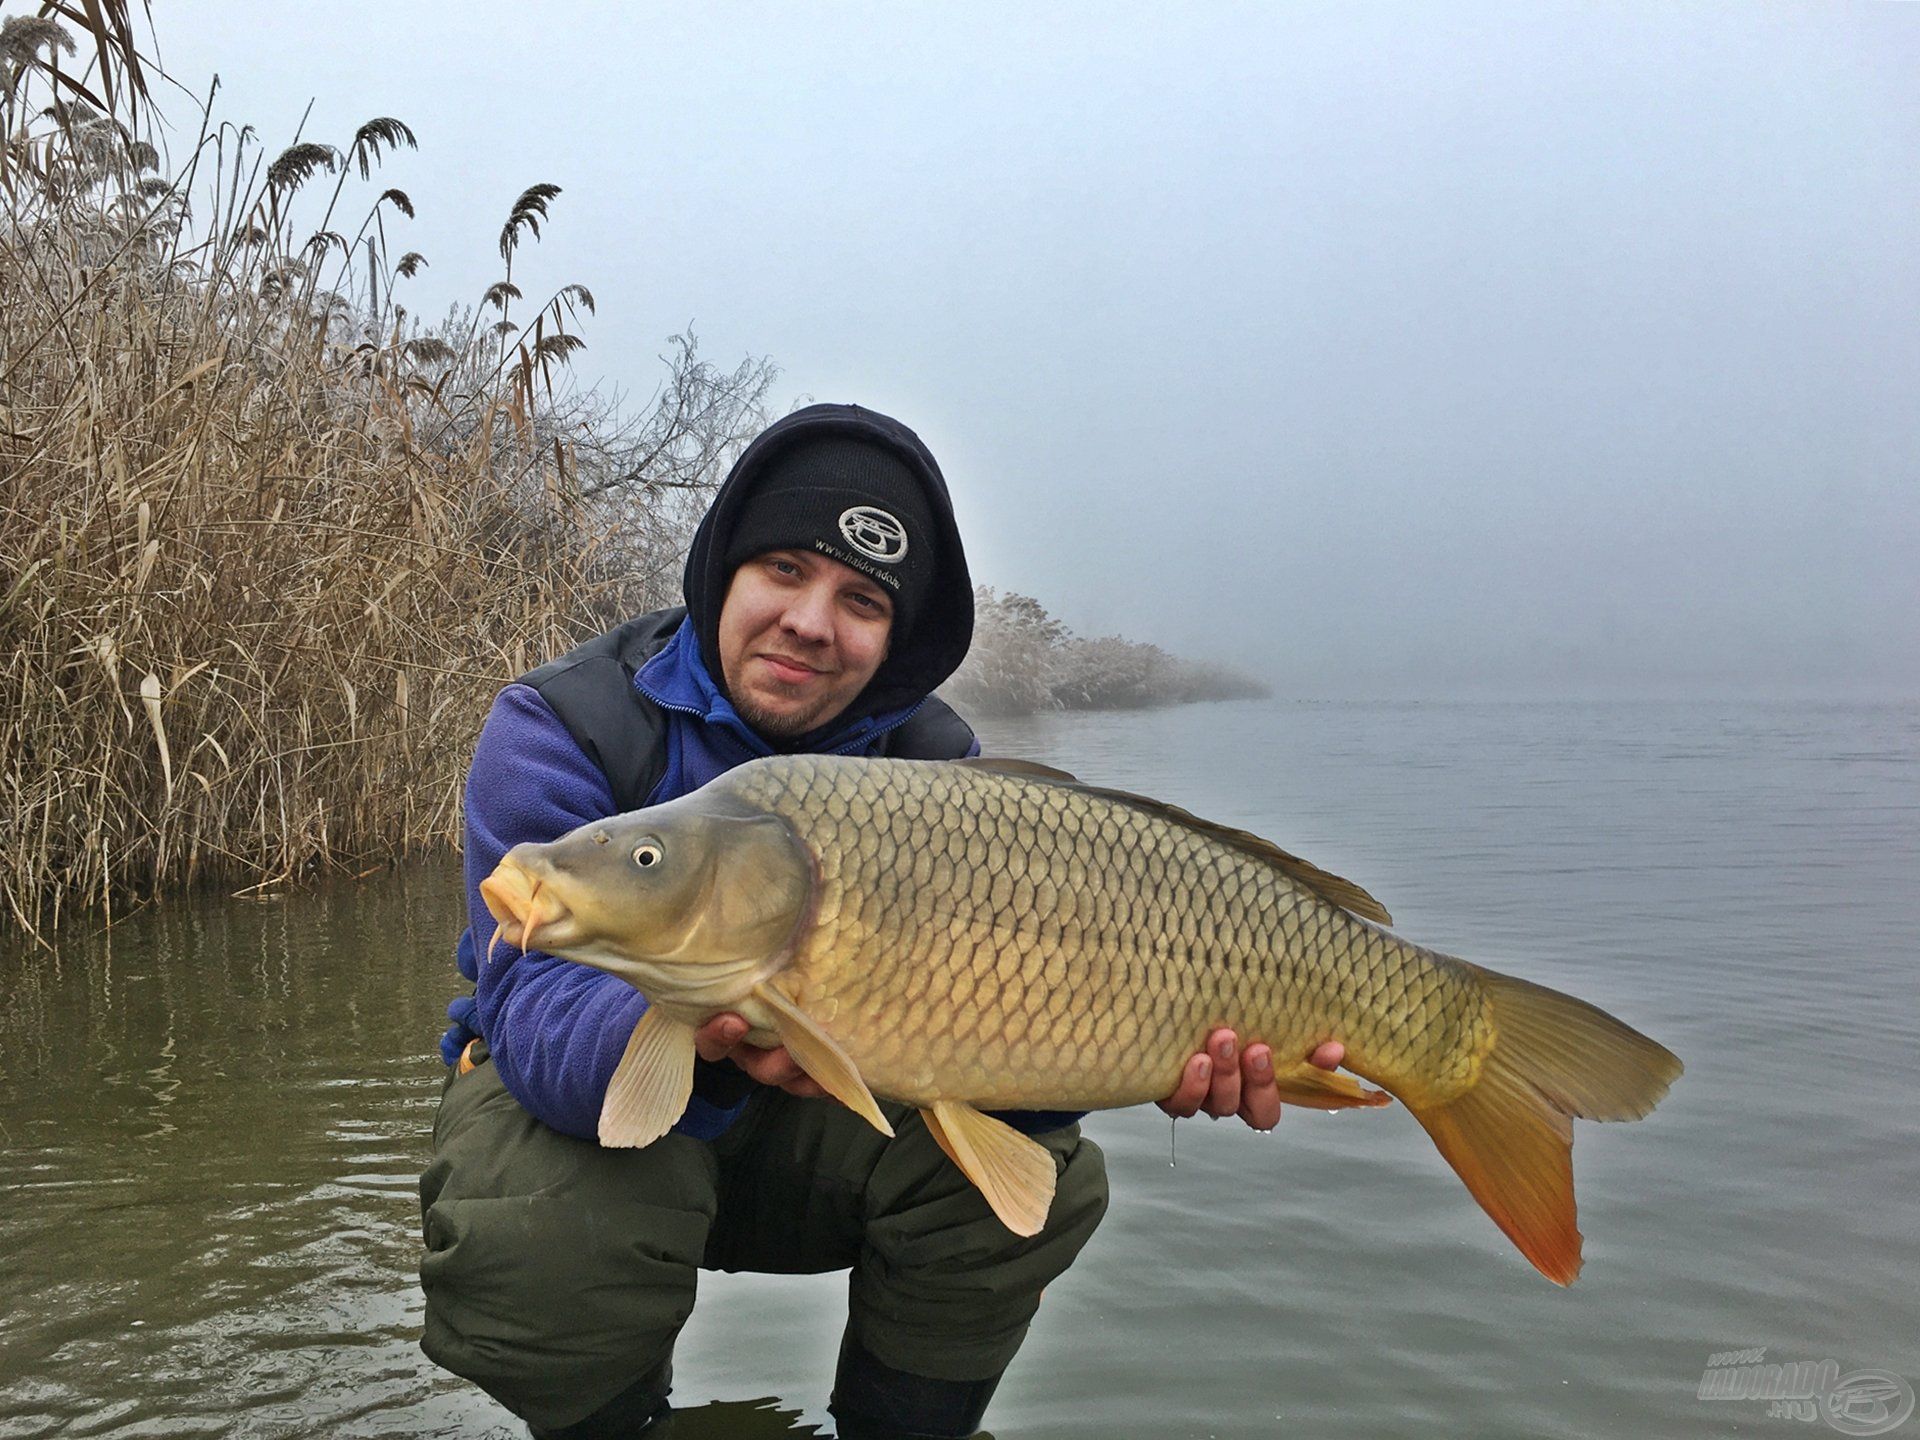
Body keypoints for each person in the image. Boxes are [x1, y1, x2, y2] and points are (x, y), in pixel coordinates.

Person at [418, 403, 1342, 1439]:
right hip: (603, 1143)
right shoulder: (561, 725)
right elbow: (532, 1010)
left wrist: (1142, 1058)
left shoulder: (941, 780)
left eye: (860, 599)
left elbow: (995, 1057)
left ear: (897, 639)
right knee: (538, 1223)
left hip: (823, 1150)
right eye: (782, 570)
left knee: (1043, 1186)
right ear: (724, 569)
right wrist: (707, 1043)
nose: (812, 621)